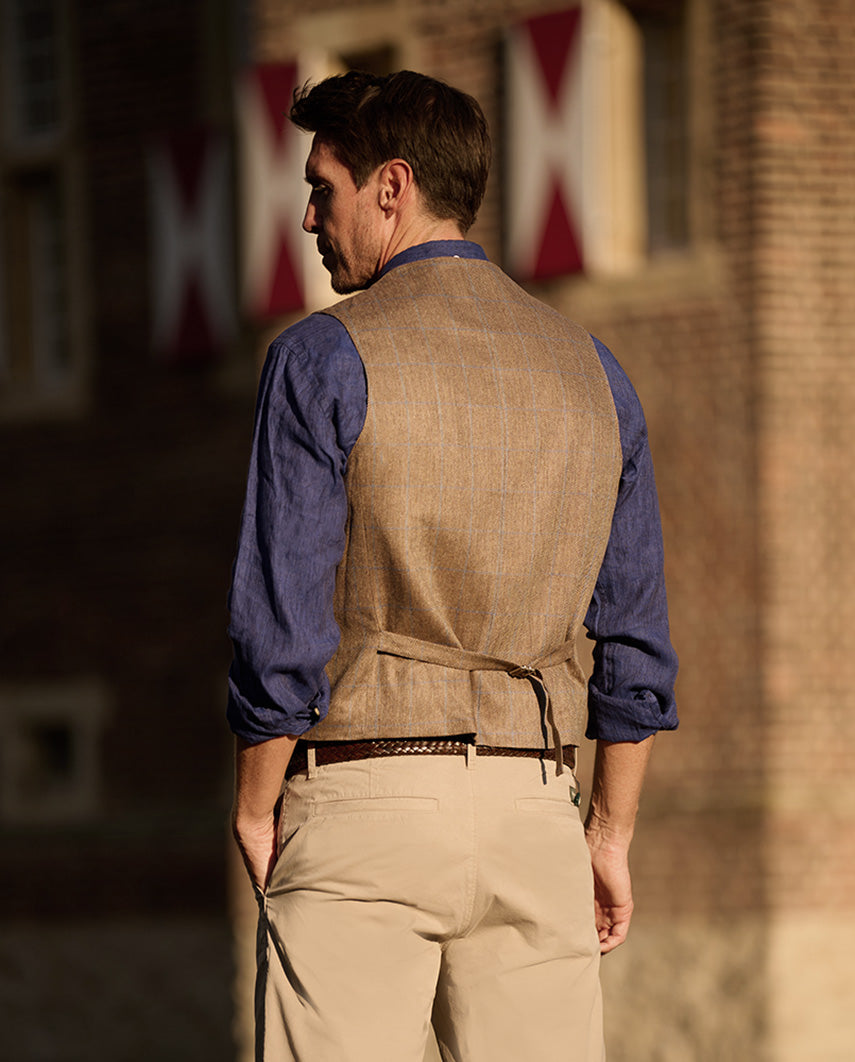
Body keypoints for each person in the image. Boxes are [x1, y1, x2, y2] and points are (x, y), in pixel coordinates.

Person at [227, 69, 678, 1062]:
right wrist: (608, 837)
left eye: (322, 189)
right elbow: (635, 645)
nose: (307, 218)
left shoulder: (319, 358)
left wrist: (256, 810)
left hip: (361, 803)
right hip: (536, 810)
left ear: (390, 188)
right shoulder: (597, 371)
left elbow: (283, 629)